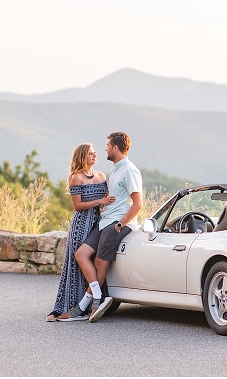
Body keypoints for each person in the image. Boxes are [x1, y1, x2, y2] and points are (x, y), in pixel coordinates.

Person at [59, 131, 143, 323]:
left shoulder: (129, 170)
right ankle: (97, 296)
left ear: (115, 147)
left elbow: (138, 204)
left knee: (99, 262)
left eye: (106, 146)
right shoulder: (114, 170)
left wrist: (120, 225)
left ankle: (85, 306)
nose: (104, 149)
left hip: (117, 223)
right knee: (80, 254)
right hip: (105, 221)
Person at [48, 143, 115, 322]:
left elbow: (108, 199)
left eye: (95, 153)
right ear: (82, 156)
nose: (95, 156)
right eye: (91, 154)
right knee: (77, 264)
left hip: (98, 223)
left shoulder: (101, 175)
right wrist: (100, 201)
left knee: (94, 260)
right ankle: (76, 305)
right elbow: (77, 206)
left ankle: (89, 303)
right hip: (81, 225)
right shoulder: (76, 178)